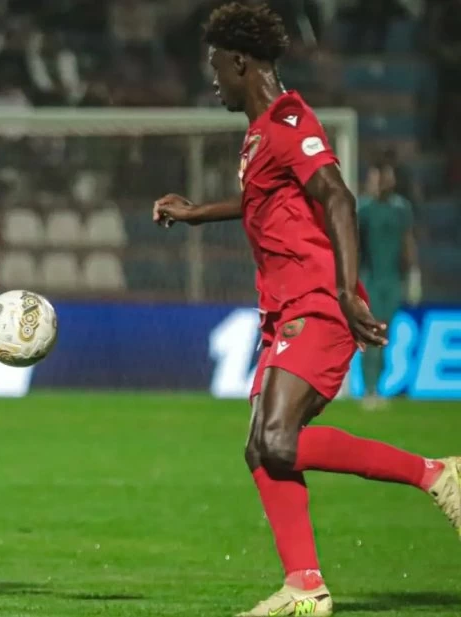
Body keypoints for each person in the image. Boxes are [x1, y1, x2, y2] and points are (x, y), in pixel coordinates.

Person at [152, 4, 460, 616]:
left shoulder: (291, 119)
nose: (213, 78)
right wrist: (195, 214)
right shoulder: (262, 129)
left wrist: (347, 292)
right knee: (261, 448)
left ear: (241, 62)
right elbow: (262, 201)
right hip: (284, 307)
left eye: (217, 66)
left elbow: (337, 198)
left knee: (276, 439)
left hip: (318, 303)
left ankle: (436, 474)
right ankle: (304, 587)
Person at [358, 162, 421, 409]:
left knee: (386, 336)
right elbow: (354, 245)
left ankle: (376, 387)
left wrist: (414, 275)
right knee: (371, 333)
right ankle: (368, 390)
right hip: (369, 279)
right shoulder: (363, 209)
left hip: (393, 280)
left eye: (386, 177)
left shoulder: (401, 208)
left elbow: (408, 241)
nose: (383, 182)